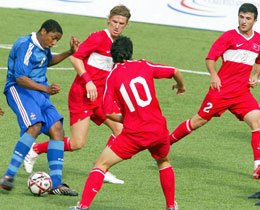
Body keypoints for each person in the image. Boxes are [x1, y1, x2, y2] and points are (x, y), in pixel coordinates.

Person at [67, 36, 185, 210]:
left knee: (101, 164)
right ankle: (170, 206)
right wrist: (180, 85)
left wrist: (126, 118)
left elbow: (108, 112)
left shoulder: (112, 77)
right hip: (158, 130)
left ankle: (83, 206)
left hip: (134, 134)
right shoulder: (144, 65)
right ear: (130, 53)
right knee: (164, 162)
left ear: (112, 55)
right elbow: (174, 70)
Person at [23, 5, 131, 184]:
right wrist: (88, 80)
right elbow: (75, 57)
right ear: (108, 20)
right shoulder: (98, 38)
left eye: (121, 23)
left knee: (121, 130)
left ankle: (101, 168)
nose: (117, 26)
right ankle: (36, 149)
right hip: (82, 95)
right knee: (77, 144)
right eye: (114, 22)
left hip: (101, 98)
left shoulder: (119, 44)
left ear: (127, 25)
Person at [170, 3, 260, 178]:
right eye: (241, 17)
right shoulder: (229, 37)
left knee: (257, 122)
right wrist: (214, 75)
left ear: (255, 21)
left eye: (248, 18)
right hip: (221, 91)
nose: (243, 21)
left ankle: (257, 166)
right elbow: (210, 58)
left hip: (242, 93)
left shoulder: (258, 41)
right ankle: (165, 144)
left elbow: (258, 60)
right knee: (197, 122)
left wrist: (255, 75)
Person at [0, 19, 79, 196]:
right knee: (34, 126)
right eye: (53, 38)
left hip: (39, 93)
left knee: (57, 129)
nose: (54, 42)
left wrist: (69, 52)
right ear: (43, 31)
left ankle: (56, 185)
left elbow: (47, 61)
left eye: (57, 40)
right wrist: (46, 88)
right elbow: (20, 77)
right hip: (19, 90)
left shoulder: (44, 47)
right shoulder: (25, 45)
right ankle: (8, 176)